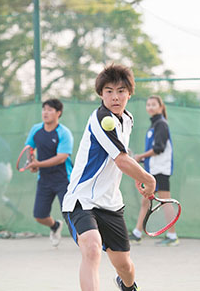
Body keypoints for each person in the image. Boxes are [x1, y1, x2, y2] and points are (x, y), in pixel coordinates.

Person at [62, 64, 156, 291]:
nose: (115, 97)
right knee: (92, 249)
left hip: (111, 203)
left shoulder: (128, 119)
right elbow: (120, 160)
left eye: (121, 91)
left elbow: (122, 155)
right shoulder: (101, 119)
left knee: (125, 266)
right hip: (81, 200)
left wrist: (135, 173)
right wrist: (149, 179)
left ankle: (127, 286)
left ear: (129, 93)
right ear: (101, 94)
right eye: (109, 91)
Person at [129, 95, 178, 247]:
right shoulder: (153, 126)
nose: (150, 107)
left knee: (165, 201)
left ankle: (172, 235)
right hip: (152, 170)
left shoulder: (161, 124)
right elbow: (154, 152)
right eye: (148, 104)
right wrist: (142, 159)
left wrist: (140, 156)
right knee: (145, 201)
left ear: (161, 107)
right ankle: (137, 233)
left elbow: (159, 148)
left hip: (161, 170)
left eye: (153, 104)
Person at [25, 98, 74, 248]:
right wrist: (31, 161)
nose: (45, 113)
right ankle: (54, 226)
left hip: (63, 179)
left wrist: (38, 164)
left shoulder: (64, 133)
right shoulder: (36, 129)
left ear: (58, 113)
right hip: (44, 179)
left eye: (50, 110)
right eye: (44, 109)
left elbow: (61, 157)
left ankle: (87, 242)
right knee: (39, 216)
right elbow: (29, 147)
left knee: (71, 214)